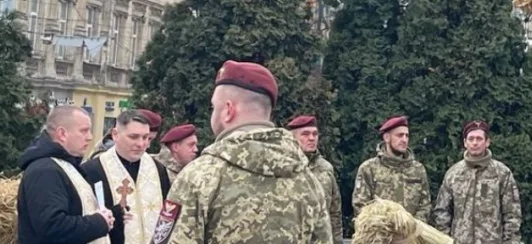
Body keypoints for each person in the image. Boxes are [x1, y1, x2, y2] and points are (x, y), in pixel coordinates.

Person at [152, 60, 333, 244]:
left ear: (228, 110)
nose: (212, 114)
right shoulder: (308, 180)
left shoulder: (200, 177)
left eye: (214, 107)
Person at [17, 105, 116, 244]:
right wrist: (99, 223)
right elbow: (52, 227)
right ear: (62, 134)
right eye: (84, 131)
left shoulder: (64, 165)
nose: (90, 137)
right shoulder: (45, 171)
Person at [80, 109, 172, 244]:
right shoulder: (92, 170)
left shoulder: (158, 169)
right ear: (115, 134)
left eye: (146, 137)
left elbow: (168, 215)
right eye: (134, 137)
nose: (141, 144)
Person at [433, 120, 521, 244]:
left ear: (487, 142)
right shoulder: (453, 174)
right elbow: (442, 211)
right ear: (465, 143)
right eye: (471, 139)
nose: (475, 143)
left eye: (479, 139)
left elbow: (512, 214)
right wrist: (444, 240)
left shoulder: (502, 173)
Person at [353, 115, 432, 222]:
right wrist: (385, 226)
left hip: (410, 235)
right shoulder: (369, 168)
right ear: (386, 138)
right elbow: (361, 206)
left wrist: (411, 225)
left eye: (407, 136)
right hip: (380, 235)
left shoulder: (417, 170)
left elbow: (425, 206)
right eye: (399, 135)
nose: (404, 140)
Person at [288, 115, 343, 244]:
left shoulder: (326, 168)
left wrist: (337, 241)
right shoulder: (284, 167)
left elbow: (334, 211)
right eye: (305, 134)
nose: (311, 138)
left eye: (315, 134)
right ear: (292, 138)